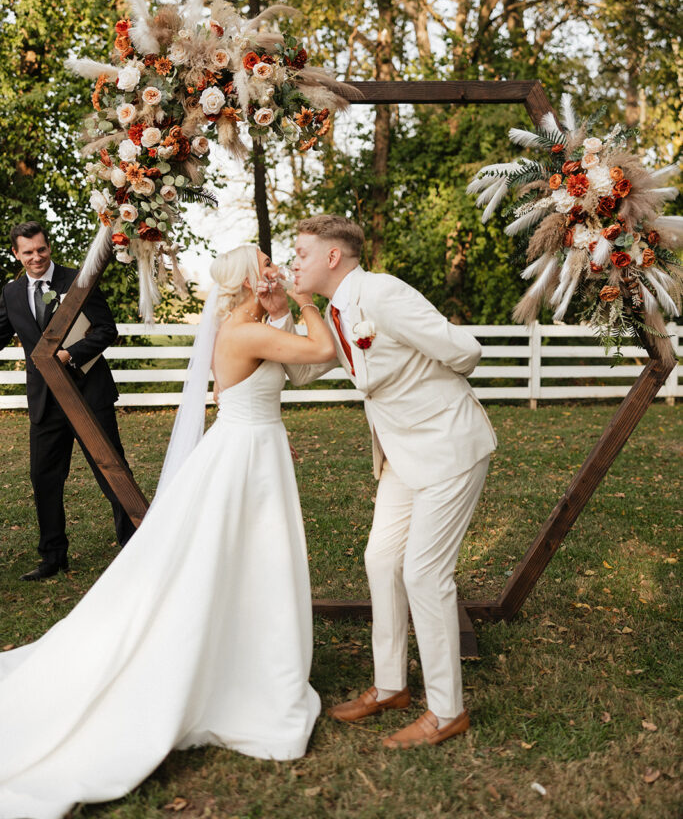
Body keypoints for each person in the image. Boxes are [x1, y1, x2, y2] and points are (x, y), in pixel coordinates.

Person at [0, 244, 335, 817]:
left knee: (245, 560)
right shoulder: (244, 331)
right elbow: (325, 347)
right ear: (251, 279)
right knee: (243, 557)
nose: (275, 268)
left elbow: (311, 365)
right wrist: (306, 300)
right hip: (246, 456)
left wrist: (282, 307)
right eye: (266, 264)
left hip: (252, 447)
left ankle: (243, 646)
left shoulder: (249, 323)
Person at [261, 214, 497, 749]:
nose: (292, 262)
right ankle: (391, 686)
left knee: (424, 575)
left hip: (447, 447)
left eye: (300, 253)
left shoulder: (384, 294)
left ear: (332, 257)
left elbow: (465, 351)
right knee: (380, 560)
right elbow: (300, 371)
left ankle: (447, 711)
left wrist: (425, 389)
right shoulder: (335, 310)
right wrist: (282, 316)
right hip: (399, 457)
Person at [0, 221, 135, 579]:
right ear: (16, 253)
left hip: (88, 393)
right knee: (43, 477)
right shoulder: (12, 294)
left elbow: (107, 330)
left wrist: (69, 355)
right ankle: (53, 556)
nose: (36, 257)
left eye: (41, 249)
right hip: (45, 400)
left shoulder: (79, 279)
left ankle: (134, 546)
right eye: (27, 252)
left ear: (49, 247)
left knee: (111, 470)